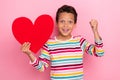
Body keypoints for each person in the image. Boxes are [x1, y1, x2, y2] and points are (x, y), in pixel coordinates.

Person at [21, 5, 104, 80]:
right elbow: (41, 68)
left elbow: (99, 53)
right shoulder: (49, 44)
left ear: (75, 24)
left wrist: (95, 31)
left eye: (70, 22)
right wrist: (29, 54)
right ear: (57, 23)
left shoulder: (80, 41)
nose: (65, 25)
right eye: (62, 21)